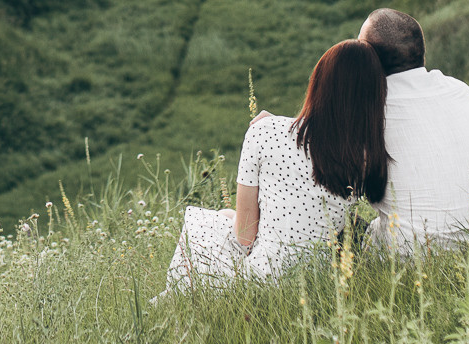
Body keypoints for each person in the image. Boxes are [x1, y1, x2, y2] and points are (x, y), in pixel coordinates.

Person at [163, 40, 389, 292]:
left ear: (318, 84)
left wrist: (278, 126)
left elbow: (245, 238)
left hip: (261, 281)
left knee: (215, 220)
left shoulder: (264, 131)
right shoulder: (368, 157)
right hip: (319, 285)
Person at [355, 7, 469, 250]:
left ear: (370, 61)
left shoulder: (371, 110)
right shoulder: (459, 90)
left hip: (410, 257)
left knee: (331, 216)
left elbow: (342, 187)